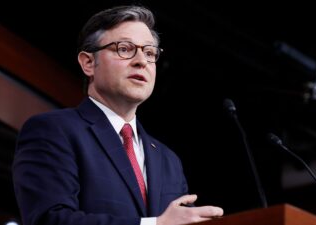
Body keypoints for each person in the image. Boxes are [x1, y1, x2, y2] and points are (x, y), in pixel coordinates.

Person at [12, 5, 223, 225]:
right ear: (88, 63)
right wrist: (154, 224)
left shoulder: (168, 161)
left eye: (149, 53)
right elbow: (50, 219)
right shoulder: (54, 130)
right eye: (124, 48)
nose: (141, 60)